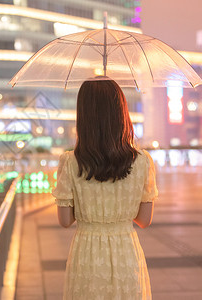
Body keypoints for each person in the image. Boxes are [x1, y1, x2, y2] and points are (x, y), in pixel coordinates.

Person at [52, 78, 158, 300]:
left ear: (84, 116)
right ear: (121, 112)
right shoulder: (142, 161)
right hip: (126, 253)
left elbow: (65, 220)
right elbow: (144, 220)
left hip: (86, 256)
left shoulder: (71, 162)